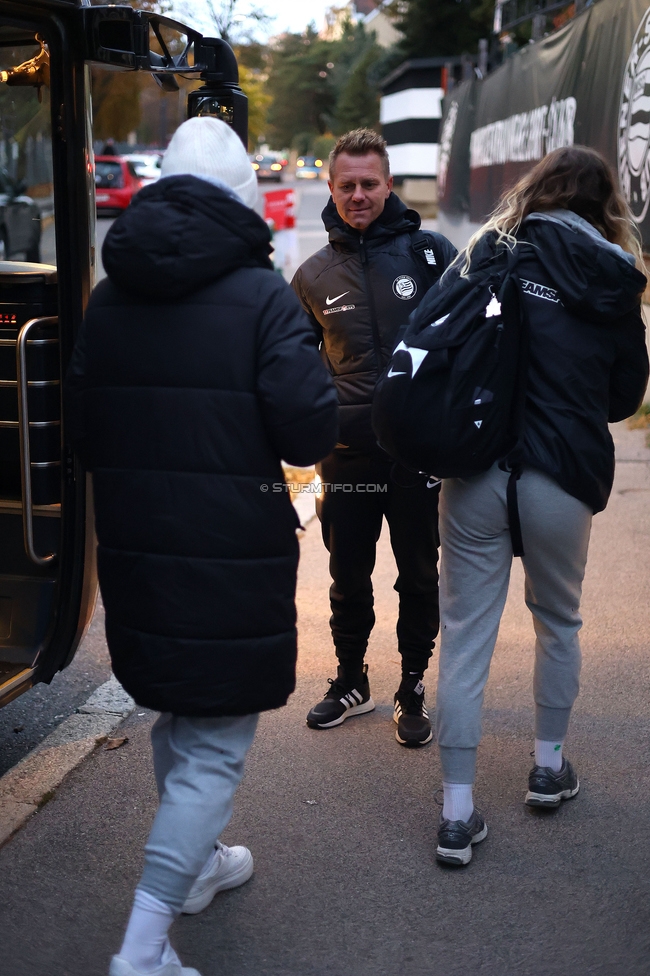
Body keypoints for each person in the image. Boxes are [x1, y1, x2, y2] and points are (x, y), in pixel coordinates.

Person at [66, 117, 338, 976]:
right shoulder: (262, 296)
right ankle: (142, 951)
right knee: (216, 738)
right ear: (245, 198)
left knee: (182, 710)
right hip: (232, 549)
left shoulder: (108, 297)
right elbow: (307, 430)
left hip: (139, 548)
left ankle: (198, 868)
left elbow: (78, 429)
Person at [432, 146, 649, 866]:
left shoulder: (493, 251)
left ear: (538, 189)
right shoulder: (616, 280)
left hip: (477, 467)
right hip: (562, 473)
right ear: (605, 203)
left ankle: (458, 813)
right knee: (558, 621)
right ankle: (549, 768)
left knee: (465, 634)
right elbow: (624, 399)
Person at [292, 129, 457, 747]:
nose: (358, 195)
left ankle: (411, 683)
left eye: (369, 184)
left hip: (417, 456)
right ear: (330, 189)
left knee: (417, 573)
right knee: (347, 574)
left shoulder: (433, 256)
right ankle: (351, 681)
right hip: (348, 457)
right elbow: (292, 366)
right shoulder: (311, 276)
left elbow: (469, 344)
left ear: (389, 185)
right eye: (347, 185)